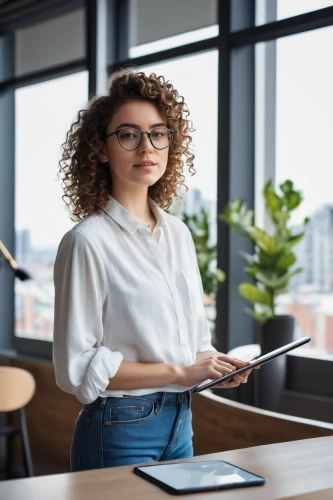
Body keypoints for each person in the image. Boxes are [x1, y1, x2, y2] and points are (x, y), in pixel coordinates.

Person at [53, 68, 254, 472]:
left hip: (181, 423)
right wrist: (182, 371)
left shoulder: (178, 235)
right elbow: (76, 368)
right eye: (129, 134)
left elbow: (193, 341)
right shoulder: (87, 242)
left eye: (158, 133)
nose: (146, 146)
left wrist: (213, 367)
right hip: (119, 429)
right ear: (101, 148)